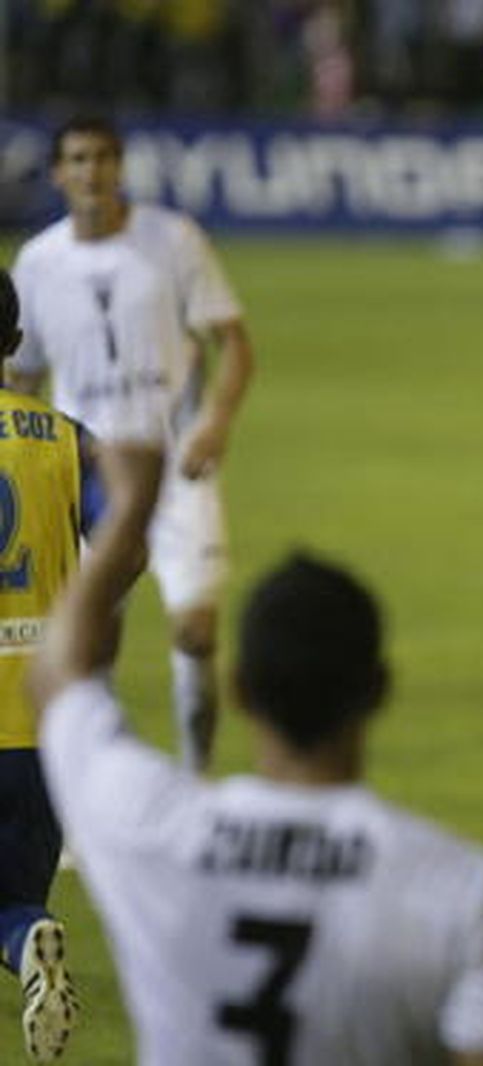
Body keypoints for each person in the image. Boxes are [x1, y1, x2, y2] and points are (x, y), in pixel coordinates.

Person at [28, 443, 483, 1065]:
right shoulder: (459, 891)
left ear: (239, 690)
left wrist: (131, 510)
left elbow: (57, 675)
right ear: (378, 690)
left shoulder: (153, 829)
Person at [9, 114, 255, 773]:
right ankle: (91, 786)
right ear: (58, 173)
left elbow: (234, 343)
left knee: (195, 631)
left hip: (175, 471)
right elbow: (22, 377)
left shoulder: (173, 239)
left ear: (121, 167)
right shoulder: (38, 262)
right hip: (85, 478)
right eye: (78, 159)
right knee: (89, 644)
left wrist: (215, 422)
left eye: (104, 157)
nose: (92, 171)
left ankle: (194, 778)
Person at [0, 268, 96, 1064]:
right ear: (14, 340)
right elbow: (126, 541)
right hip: (45, 720)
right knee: (15, 893)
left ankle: (27, 939)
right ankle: (30, 937)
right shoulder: (64, 438)